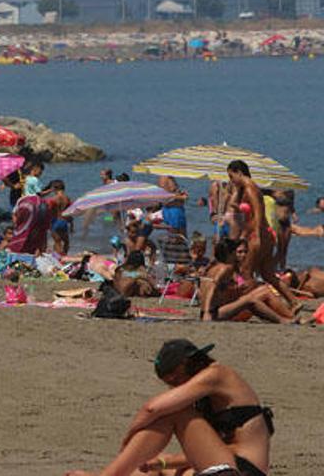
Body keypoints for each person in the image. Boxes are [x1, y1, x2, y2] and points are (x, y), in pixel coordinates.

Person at [66, 339, 273, 476]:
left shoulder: (218, 374)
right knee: (148, 469)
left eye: (175, 380)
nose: (176, 387)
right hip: (225, 465)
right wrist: (164, 463)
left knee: (177, 413)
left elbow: (152, 409)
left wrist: (129, 437)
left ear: (188, 365)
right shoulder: (208, 397)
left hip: (242, 470)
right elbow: (218, 448)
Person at [226, 160, 299, 312]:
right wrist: (236, 189)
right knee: (267, 274)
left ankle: (252, 303)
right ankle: (294, 302)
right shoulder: (244, 189)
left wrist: (257, 235)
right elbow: (232, 205)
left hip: (258, 233)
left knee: (246, 270)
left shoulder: (251, 189)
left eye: (231, 176)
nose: (230, 180)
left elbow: (259, 211)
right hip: (261, 233)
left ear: (239, 173)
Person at [199, 238, 295, 323]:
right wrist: (207, 312)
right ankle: (282, 320)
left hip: (215, 309)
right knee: (250, 300)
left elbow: (212, 289)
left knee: (264, 291)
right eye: (237, 252)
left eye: (245, 252)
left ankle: (291, 317)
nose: (242, 255)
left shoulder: (219, 267)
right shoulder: (225, 268)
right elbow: (212, 286)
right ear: (231, 253)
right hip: (214, 313)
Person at [45, 180, 72, 255]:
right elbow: (71, 211)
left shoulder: (53, 199)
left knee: (57, 242)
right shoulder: (67, 198)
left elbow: (48, 211)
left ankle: (59, 258)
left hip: (55, 221)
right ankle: (65, 256)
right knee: (66, 242)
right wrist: (72, 224)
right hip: (64, 221)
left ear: (54, 189)